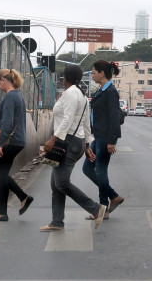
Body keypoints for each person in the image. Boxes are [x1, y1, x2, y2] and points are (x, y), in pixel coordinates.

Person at [40, 65, 106, 231]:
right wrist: (87, 145)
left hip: (66, 141)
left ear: (65, 78)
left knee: (62, 183)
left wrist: (53, 139)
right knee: (55, 184)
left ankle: (96, 209)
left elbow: (67, 120)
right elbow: (85, 123)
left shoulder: (70, 94)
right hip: (75, 141)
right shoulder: (81, 95)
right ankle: (57, 221)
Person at [0, 68, 33, 222]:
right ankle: (4, 211)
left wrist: (0, 144)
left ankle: (21, 198)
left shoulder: (9, 97)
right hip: (17, 140)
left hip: (10, 141)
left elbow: (7, 122)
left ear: (3, 80)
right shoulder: (18, 95)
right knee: (1, 174)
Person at [83, 60, 124, 221]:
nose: (92, 75)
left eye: (93, 72)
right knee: (87, 168)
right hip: (98, 136)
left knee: (100, 170)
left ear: (102, 73)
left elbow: (114, 117)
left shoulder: (111, 92)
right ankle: (113, 196)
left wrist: (112, 140)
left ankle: (103, 208)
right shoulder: (101, 90)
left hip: (105, 137)